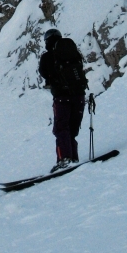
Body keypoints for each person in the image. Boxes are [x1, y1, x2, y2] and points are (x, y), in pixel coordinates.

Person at [38, 28, 88, 173]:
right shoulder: (72, 52)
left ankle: (64, 159)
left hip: (61, 97)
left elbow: (43, 72)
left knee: (61, 128)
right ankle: (73, 158)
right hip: (79, 96)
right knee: (72, 129)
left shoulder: (47, 57)